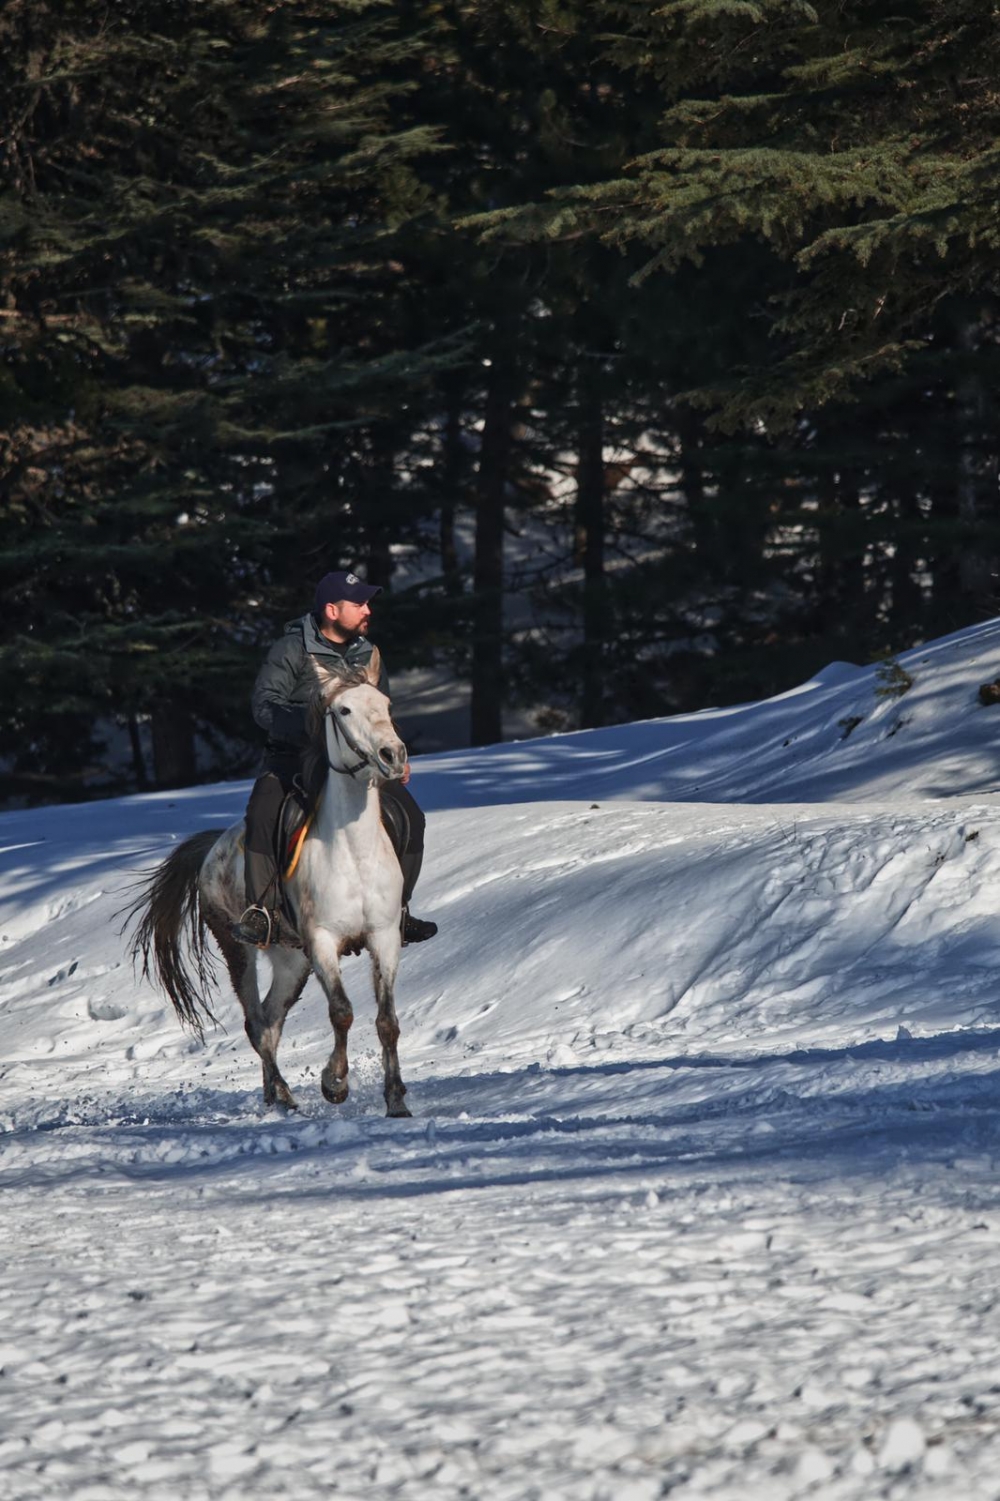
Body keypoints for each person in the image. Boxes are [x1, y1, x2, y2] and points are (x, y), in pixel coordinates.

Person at [231, 569, 438, 949]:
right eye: (358, 604)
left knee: (412, 818)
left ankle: (400, 911)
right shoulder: (291, 649)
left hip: (357, 764)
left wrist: (395, 753)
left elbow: (381, 712)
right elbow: (264, 707)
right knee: (263, 814)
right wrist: (313, 725)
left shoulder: (369, 653)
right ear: (331, 609)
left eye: (367, 603)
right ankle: (263, 912)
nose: (367, 611)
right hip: (293, 759)